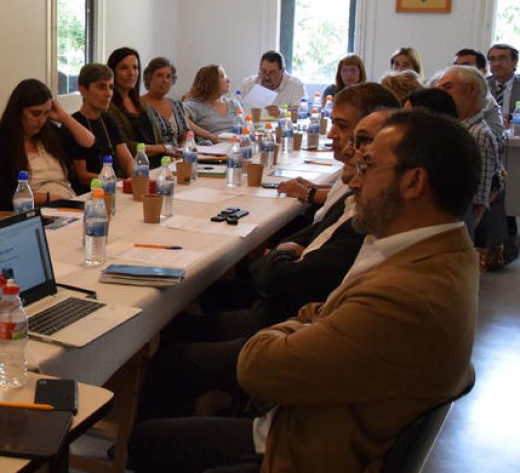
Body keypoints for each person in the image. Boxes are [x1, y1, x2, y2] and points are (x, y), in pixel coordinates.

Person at [131, 110, 479, 473]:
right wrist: (314, 323)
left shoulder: (407, 293)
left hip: (304, 450)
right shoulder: (439, 254)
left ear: (414, 182)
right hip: (319, 426)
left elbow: (257, 367)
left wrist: (305, 325)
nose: (355, 182)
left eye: (369, 166)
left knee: (152, 439)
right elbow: (324, 310)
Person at [136, 108, 391, 424]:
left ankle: (160, 433)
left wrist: (277, 255)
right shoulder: (359, 202)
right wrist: (281, 254)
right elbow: (301, 244)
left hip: (278, 323)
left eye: (363, 145)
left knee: (174, 343)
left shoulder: (367, 217)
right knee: (186, 312)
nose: (350, 148)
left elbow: (280, 277)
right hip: (285, 313)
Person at [275, 83, 400, 214]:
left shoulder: (368, 197)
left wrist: (309, 193)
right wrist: (315, 188)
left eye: (342, 126)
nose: (330, 134)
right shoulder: (353, 171)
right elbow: (342, 191)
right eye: (333, 123)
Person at [0, 79, 95, 216]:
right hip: (31, 212)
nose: (41, 120)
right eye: (35, 113)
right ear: (18, 112)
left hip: (67, 205)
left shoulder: (51, 134)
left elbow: (89, 142)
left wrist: (63, 117)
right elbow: (2, 196)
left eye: (46, 113)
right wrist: (49, 198)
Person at [434, 65, 507, 269]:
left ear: (471, 90)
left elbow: (478, 201)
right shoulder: (460, 130)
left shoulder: (477, 135)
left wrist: (458, 244)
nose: (442, 94)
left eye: (448, 87)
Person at [70, 63, 134, 184]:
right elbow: (82, 175)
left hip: (113, 186)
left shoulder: (108, 120)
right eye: (101, 87)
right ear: (83, 90)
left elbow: (127, 160)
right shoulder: (74, 124)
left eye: (111, 87)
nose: (108, 93)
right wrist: (115, 182)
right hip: (90, 192)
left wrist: (133, 178)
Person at [106, 47, 171, 158]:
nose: (131, 73)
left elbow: (158, 137)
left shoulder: (142, 102)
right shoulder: (109, 107)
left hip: (159, 164)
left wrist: (168, 152)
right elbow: (125, 146)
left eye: (135, 68)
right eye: (124, 68)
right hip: (134, 168)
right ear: (113, 72)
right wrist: (163, 149)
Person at [142, 57, 206, 155]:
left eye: (169, 76)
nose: (165, 80)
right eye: (159, 75)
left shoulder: (176, 105)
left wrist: (183, 147)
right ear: (149, 78)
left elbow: (185, 134)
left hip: (179, 158)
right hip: (155, 160)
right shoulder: (140, 105)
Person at [454, 48, 507, 138]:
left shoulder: (484, 98)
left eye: (466, 67)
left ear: (482, 72)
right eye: (455, 66)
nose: (458, 71)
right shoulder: (455, 94)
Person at [182, 65, 240, 144]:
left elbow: (245, 128)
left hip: (237, 147)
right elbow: (180, 117)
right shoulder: (196, 105)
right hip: (212, 150)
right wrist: (210, 136)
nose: (228, 80)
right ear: (210, 82)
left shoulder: (234, 104)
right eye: (223, 77)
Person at [236, 51, 305, 117]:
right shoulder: (247, 84)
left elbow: (302, 113)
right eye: (263, 71)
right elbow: (235, 110)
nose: (266, 77)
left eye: (272, 73)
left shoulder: (296, 86)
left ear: (282, 71)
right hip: (251, 126)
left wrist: (281, 112)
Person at [487, 43, 520, 117]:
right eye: (492, 59)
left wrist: (510, 118)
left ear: (514, 62)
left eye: (501, 59)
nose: (496, 64)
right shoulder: (482, 85)